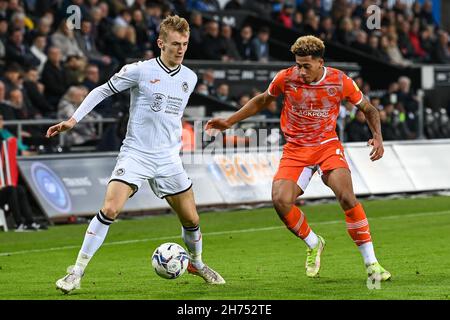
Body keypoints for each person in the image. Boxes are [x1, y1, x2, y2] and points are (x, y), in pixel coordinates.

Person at [46, 15, 225, 294]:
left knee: (191, 220)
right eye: (175, 44)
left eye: (185, 44)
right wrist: (73, 119)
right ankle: (76, 272)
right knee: (110, 209)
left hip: (169, 159)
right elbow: (102, 90)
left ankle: (198, 264)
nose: (181, 49)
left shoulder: (190, 77)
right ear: (160, 43)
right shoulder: (139, 70)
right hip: (136, 154)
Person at [206, 35, 391, 282]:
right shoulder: (286, 77)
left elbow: (368, 109)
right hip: (296, 149)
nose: (301, 71)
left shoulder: (339, 80)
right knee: (280, 200)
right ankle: (314, 243)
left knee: (347, 196)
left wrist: (377, 137)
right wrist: (229, 121)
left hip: (326, 146)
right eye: (298, 65)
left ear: (320, 62)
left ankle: (372, 264)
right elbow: (262, 100)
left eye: (306, 66)